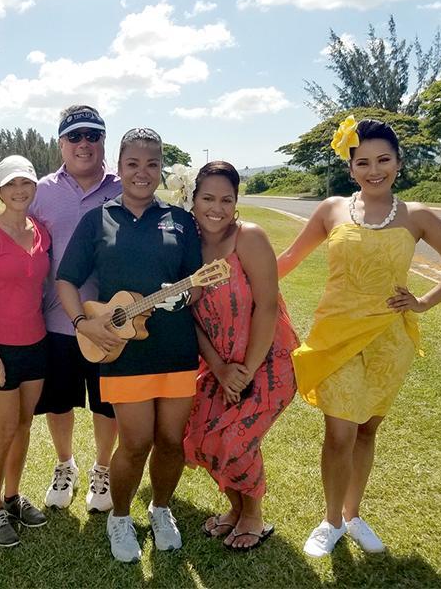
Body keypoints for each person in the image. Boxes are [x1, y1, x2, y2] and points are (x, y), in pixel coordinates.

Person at [277, 116, 441, 557]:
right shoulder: (331, 209)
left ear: (398, 163)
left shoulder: (418, 216)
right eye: (363, 162)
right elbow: (289, 258)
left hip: (390, 340)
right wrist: (240, 278)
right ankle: (330, 521)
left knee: (367, 431)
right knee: (339, 434)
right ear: (351, 169)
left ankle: (353, 515)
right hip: (336, 335)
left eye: (383, 160)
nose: (374, 170)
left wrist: (423, 302)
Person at [56, 128, 202, 563]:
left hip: (175, 348)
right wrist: (83, 323)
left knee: (171, 440)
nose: (143, 173)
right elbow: (66, 280)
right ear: (118, 168)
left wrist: (186, 293)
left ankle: (160, 509)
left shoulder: (181, 220)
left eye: (152, 164)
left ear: (161, 169)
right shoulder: (98, 219)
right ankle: (120, 517)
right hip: (122, 351)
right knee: (136, 442)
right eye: (133, 164)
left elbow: (196, 281)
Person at [181, 161, 299, 550]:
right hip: (218, 365)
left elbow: (266, 307)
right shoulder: (188, 244)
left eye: (226, 200)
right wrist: (219, 367)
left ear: (236, 203)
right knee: (198, 437)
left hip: (266, 361)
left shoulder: (249, 237)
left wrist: (245, 372)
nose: (216, 208)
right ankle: (235, 509)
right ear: (193, 199)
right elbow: (190, 317)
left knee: (234, 439)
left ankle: (254, 517)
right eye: (208, 198)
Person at [29, 105, 122, 512]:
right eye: (75, 136)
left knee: (106, 403)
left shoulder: (125, 188)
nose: (84, 144)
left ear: (104, 141)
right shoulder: (39, 190)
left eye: (93, 135)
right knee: (59, 402)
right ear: (61, 143)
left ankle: (102, 470)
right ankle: (65, 463)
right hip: (54, 320)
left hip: (110, 323)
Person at [0, 156, 51, 547]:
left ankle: (14, 497)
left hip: (37, 344)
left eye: (27, 184)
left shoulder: (41, 232)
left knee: (23, 427)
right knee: (3, 431)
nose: (20, 191)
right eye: (11, 185)